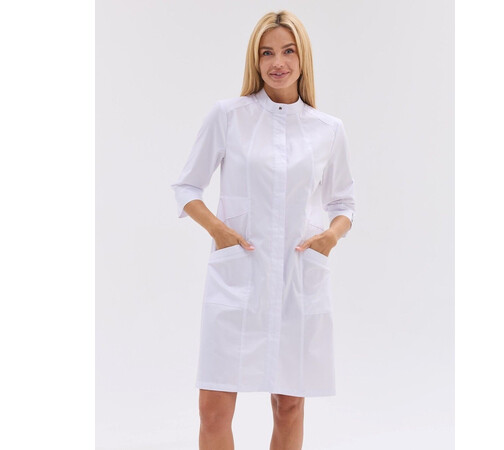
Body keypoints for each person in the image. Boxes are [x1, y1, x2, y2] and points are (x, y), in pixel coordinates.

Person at [171, 10, 356, 450]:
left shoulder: (328, 129)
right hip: (238, 280)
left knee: (289, 406)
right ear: (255, 60)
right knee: (214, 408)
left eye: (288, 51)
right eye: (267, 52)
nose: (278, 62)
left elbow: (344, 203)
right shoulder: (229, 116)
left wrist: (330, 238)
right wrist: (220, 232)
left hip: (297, 283)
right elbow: (187, 187)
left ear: (303, 57)